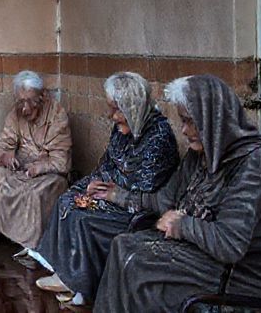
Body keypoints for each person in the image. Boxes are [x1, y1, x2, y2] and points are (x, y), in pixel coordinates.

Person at [92, 74, 261, 312]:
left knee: (139, 268)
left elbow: (230, 244)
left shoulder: (253, 164)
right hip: (207, 259)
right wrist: (118, 195)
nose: (184, 130)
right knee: (122, 246)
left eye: (190, 122)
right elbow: (164, 200)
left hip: (244, 276)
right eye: (183, 121)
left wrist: (182, 224)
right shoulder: (200, 155)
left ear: (214, 120)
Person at [32, 72, 179, 305]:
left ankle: (82, 286)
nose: (111, 116)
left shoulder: (158, 138)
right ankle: (65, 272)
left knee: (83, 218)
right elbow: (106, 165)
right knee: (68, 198)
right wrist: (92, 184)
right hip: (112, 194)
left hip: (137, 210)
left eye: (116, 110)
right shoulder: (122, 130)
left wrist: (112, 192)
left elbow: (144, 190)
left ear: (132, 108)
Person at [0, 70, 72, 253]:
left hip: (49, 174)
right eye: (20, 102)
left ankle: (30, 243)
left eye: (30, 101)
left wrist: (39, 168)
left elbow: (62, 163)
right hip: (22, 169)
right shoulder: (15, 114)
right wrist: (5, 157)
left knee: (35, 191)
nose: (25, 109)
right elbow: (0, 147)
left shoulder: (57, 115)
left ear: (42, 96)